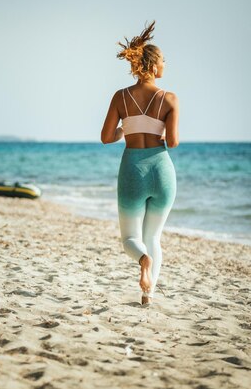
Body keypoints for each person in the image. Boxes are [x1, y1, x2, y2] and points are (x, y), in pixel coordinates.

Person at [100, 20, 179, 306]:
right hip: (161, 169)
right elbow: (173, 141)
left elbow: (107, 137)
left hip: (133, 168)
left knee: (130, 239)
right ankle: (148, 296)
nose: (166, 65)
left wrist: (126, 129)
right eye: (164, 61)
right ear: (155, 65)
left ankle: (142, 260)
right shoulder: (169, 98)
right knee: (154, 236)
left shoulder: (121, 96)